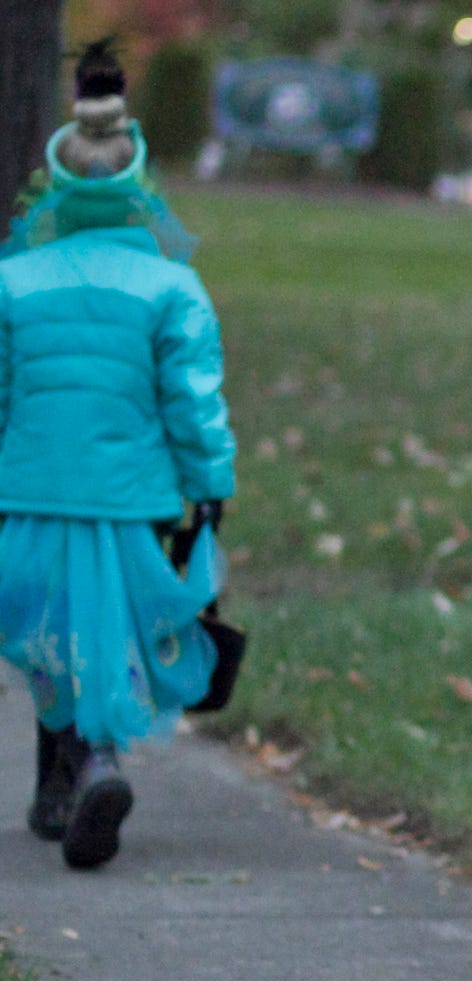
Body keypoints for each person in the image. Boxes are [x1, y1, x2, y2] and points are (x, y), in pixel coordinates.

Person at [0, 40, 235, 870]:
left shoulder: (14, 280)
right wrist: (211, 490)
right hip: (127, 496)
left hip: (28, 493)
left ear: (58, 182)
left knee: (50, 637)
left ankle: (56, 787)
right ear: (136, 181)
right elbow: (192, 404)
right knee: (106, 637)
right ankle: (98, 760)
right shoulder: (173, 287)